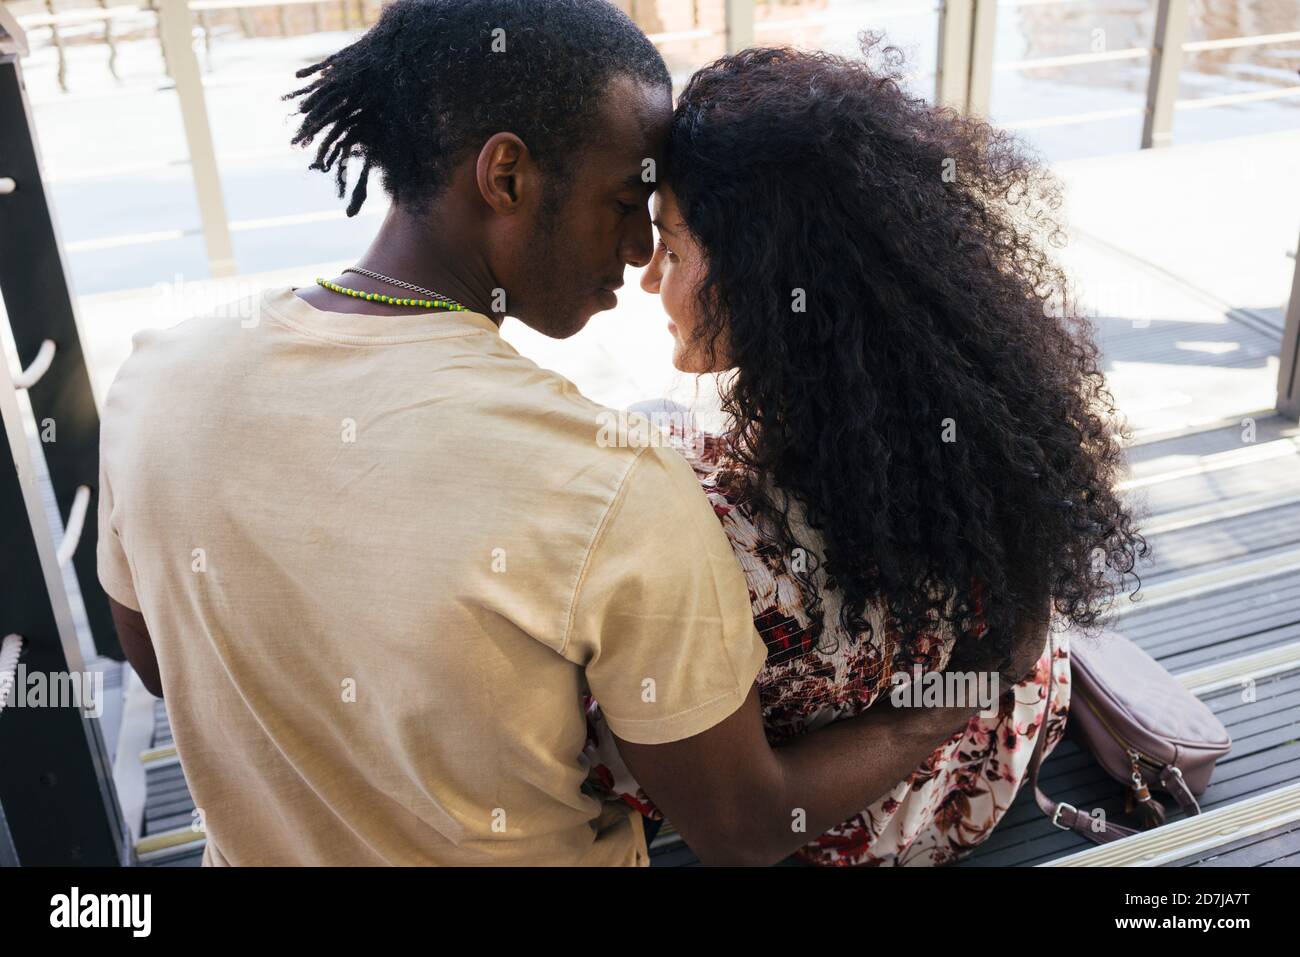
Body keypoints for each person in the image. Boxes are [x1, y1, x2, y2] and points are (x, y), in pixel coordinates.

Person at [98, 1, 1046, 867]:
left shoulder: (158, 377)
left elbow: (156, 659)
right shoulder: (612, 482)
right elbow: (745, 825)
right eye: (628, 203)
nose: (638, 251)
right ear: (506, 176)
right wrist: (946, 707)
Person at [588, 42, 1148, 865]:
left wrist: (944, 701)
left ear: (759, 283)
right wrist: (980, 681)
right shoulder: (972, 413)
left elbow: (739, 826)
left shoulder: (706, 528)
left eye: (671, 249)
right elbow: (1017, 639)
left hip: (865, 825)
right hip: (998, 750)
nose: (648, 279)